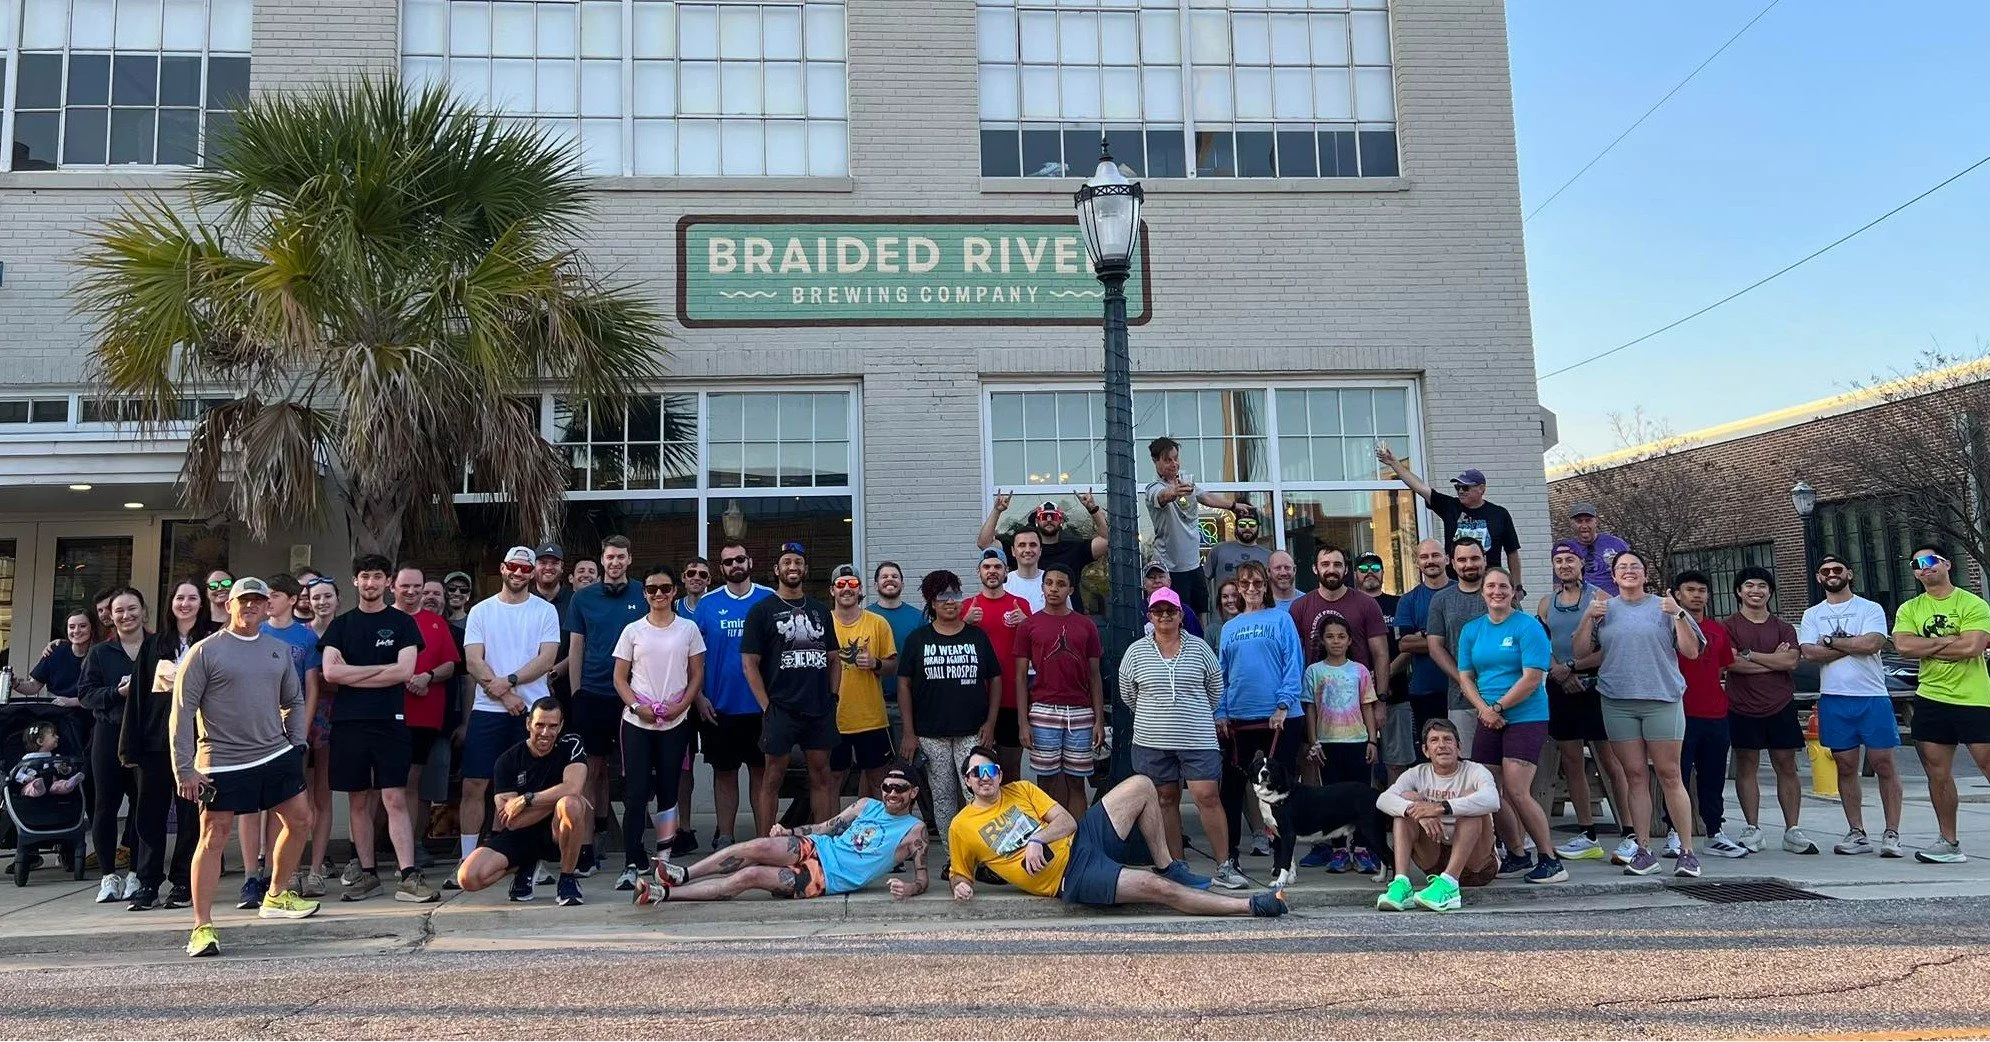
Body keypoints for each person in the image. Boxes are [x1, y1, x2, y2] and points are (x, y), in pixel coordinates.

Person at [947, 747, 1287, 917]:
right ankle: (1249, 905)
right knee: (1154, 888)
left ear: (999, 773)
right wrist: (961, 886)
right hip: (1071, 876)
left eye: (990, 769)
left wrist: (1037, 838)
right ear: (967, 781)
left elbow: (1066, 821)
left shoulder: (1021, 790)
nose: (985, 777)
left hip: (1082, 838)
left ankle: (1168, 864)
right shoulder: (962, 826)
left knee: (1141, 784)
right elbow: (959, 873)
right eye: (976, 773)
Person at [171, 578, 320, 958]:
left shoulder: (278, 650)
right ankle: (201, 927)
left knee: (301, 820)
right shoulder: (205, 651)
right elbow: (182, 712)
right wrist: (184, 769)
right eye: (244, 601)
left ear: (269, 606)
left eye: (259, 600)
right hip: (222, 760)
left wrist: (296, 741)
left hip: (274, 755)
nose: (251, 607)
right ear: (229, 605)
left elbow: (294, 698)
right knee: (214, 838)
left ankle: (276, 895)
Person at [1574, 550, 1704, 877]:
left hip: (1662, 698)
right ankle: (1644, 850)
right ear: (1614, 577)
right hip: (1618, 701)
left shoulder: (1665, 607)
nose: (1629, 571)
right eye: (1622, 568)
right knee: (1634, 775)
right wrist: (1588, 617)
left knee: (1670, 773)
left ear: (1645, 575)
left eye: (1635, 567)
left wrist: (1678, 615)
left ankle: (1687, 852)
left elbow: (1691, 651)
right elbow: (1580, 652)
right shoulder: (1605, 610)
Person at [633, 763, 930, 905]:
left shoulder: (914, 832)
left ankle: (667, 893)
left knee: (749, 877)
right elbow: (825, 827)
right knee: (758, 845)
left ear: (913, 793)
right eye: (887, 787)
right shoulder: (867, 805)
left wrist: (909, 888)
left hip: (828, 877)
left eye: (899, 789)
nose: (891, 793)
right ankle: (682, 873)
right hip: (818, 846)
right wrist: (788, 830)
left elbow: (922, 879)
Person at [318, 554, 437, 903]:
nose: (370, 583)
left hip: (390, 721)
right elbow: (330, 674)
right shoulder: (340, 626)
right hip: (349, 723)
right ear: (355, 581)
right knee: (358, 800)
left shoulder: (402, 624)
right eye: (364, 576)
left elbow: (403, 672)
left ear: (388, 582)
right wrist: (378, 671)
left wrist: (354, 672)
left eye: (377, 577)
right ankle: (367, 874)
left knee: (394, 797)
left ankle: (408, 875)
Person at [459, 547, 563, 899]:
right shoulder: (481, 610)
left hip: (532, 710)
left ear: (533, 573)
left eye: (526, 568)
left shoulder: (545, 610)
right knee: (475, 784)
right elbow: (473, 659)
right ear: (502, 568)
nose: (519, 573)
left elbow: (547, 658)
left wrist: (513, 681)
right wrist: (503, 693)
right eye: (513, 566)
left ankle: (531, 860)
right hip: (489, 709)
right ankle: (467, 856)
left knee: (530, 791)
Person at [1457, 566, 1562, 882]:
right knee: (1490, 789)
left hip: (1525, 716)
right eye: (1490, 586)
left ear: (1514, 591)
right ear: (1482, 591)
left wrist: (1499, 707)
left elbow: (1532, 678)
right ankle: (1517, 853)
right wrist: (1484, 710)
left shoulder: (1528, 627)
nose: (1496, 591)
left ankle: (1550, 859)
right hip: (1488, 715)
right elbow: (1465, 676)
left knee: (1517, 790)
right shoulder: (1472, 630)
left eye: (1503, 586)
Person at [120, 579, 216, 910]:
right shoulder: (153, 645)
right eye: (179, 598)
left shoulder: (211, 643)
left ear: (201, 604)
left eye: (192, 598)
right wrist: (129, 746)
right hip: (155, 744)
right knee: (149, 814)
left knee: (192, 816)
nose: (185, 603)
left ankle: (182, 882)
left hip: (200, 744)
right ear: (170, 604)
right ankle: (147, 883)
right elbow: (136, 700)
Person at [1798, 555, 1902, 858]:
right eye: (1825, 570)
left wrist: (1829, 641)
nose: (1832, 574)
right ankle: (1857, 831)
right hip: (1834, 697)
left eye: (1837, 570)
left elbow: (1872, 644)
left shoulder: (1869, 608)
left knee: (1883, 763)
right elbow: (1809, 653)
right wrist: (1848, 645)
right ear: (1819, 578)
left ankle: (1892, 832)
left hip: (1872, 697)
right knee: (1845, 766)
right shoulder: (1812, 614)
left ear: (1849, 574)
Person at [610, 562, 705, 891]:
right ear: (645, 593)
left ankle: (664, 859)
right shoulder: (632, 631)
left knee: (668, 794)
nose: (659, 594)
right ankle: (631, 861)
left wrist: (684, 705)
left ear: (674, 591)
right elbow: (620, 678)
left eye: (665, 588)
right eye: (652, 589)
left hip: (676, 722)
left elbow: (696, 676)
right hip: (637, 723)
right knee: (636, 795)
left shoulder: (688, 630)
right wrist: (637, 706)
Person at [1892, 545, 1990, 864]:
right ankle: (1949, 842)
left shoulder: (1971, 602)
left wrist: (1929, 647)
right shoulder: (1909, 608)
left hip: (1975, 698)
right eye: (1918, 564)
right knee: (1937, 773)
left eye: (1931, 560)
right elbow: (1904, 646)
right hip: (1932, 697)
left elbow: (1973, 646)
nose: (1925, 567)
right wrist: (1950, 640)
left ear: (1947, 564)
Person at [1122, 587, 1226, 885]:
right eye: (1158, 611)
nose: (1164, 616)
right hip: (1152, 739)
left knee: (1207, 796)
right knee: (1165, 799)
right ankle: (1176, 865)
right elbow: (1128, 692)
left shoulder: (1201, 648)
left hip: (1198, 738)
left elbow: (1215, 689)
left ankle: (1224, 865)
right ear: (1149, 616)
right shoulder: (1136, 651)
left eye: (1171, 611)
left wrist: (1191, 714)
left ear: (1181, 615)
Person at [1537, 541, 1630, 864]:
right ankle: (1587, 833)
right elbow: (1542, 644)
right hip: (1560, 688)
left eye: (1570, 559)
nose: (1564, 565)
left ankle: (1629, 831)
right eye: (1559, 560)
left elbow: (1610, 647)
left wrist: (1575, 667)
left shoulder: (1601, 599)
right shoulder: (1547, 603)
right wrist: (1559, 672)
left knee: (1611, 761)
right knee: (1572, 761)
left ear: (1581, 564)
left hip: (1595, 687)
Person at [1214, 559, 1304, 887]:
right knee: (1233, 789)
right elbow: (1221, 675)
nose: (1251, 590)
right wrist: (1220, 712)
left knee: (1279, 790)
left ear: (1265, 586)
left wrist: (1283, 704)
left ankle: (1283, 859)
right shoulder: (1229, 627)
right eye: (1245, 584)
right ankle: (1230, 856)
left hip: (1278, 718)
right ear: (1237, 588)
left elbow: (1294, 663)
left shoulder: (1281, 619)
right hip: (1239, 719)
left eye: (1257, 584)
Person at [454, 698, 590, 905]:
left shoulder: (571, 744)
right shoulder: (508, 760)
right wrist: (555, 797)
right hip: (520, 835)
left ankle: (567, 878)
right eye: (540, 725)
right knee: (468, 878)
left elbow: (573, 788)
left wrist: (527, 799)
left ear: (561, 726)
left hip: (557, 832)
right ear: (528, 724)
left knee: (571, 804)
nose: (546, 733)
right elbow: (512, 821)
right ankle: (525, 865)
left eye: (553, 726)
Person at [743, 541, 840, 830]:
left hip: (819, 707)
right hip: (781, 708)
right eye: (787, 562)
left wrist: (833, 697)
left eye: (798, 562)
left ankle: (821, 845)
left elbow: (834, 659)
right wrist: (766, 705)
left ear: (805, 569)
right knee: (772, 776)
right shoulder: (761, 611)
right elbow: (749, 663)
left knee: (821, 776)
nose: (793, 567)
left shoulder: (821, 610)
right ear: (777, 570)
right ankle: (765, 843)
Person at [565, 535, 646, 875]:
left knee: (635, 773)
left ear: (629, 560)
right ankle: (585, 848)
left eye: (621, 557)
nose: (615, 562)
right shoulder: (583, 598)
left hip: (634, 695)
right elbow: (576, 648)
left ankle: (634, 847)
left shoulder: (643, 593)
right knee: (590, 771)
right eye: (610, 557)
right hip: (594, 694)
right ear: (602, 560)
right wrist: (576, 693)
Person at [897, 570, 1001, 836]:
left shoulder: (977, 637)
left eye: (955, 595)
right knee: (943, 798)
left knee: (977, 792)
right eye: (943, 596)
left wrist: (990, 723)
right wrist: (909, 732)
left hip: (973, 731)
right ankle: (953, 857)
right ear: (932, 602)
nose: (950, 601)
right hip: (931, 733)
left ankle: (982, 856)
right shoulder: (917, 639)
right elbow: (904, 684)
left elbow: (996, 679)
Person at [1721, 565, 1811, 856]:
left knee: (1786, 766)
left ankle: (1792, 830)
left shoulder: (1783, 627)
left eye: (1762, 586)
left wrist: (1752, 655)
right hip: (1742, 705)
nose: (1755, 591)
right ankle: (1752, 828)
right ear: (1739, 591)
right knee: (1746, 765)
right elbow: (1731, 663)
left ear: (1770, 592)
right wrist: (1773, 658)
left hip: (1780, 704)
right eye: (1749, 585)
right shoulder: (1729, 626)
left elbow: (1791, 663)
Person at [1374, 719, 1502, 913]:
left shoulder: (1476, 771)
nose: (1441, 745)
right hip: (1434, 863)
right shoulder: (1417, 773)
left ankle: (1450, 885)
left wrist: (1441, 808)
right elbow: (1382, 800)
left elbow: (1493, 800)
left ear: (1459, 747)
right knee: (1407, 803)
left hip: (1476, 865)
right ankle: (1401, 884)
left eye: (1448, 740)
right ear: (1426, 751)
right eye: (1434, 740)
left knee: (1473, 807)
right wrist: (1418, 811)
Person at [695, 542, 774, 845]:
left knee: (761, 773)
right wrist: (699, 697)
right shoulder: (708, 604)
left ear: (750, 561)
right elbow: (694, 656)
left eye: (740, 559)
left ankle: (763, 838)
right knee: (724, 773)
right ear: (721, 569)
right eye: (728, 562)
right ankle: (726, 836)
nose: (735, 565)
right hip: (719, 707)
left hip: (762, 707)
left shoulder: (769, 599)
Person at [1662, 571, 1744, 863]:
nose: (1696, 595)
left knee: (1713, 776)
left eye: (1701, 590)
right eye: (1690, 590)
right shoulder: (1668, 626)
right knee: (1676, 774)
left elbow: (1723, 667)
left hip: (1715, 713)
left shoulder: (1718, 630)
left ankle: (1715, 831)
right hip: (1678, 712)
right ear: (1677, 594)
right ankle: (1673, 832)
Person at [1016, 563, 1105, 821]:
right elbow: (1020, 677)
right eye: (1049, 583)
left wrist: (1098, 719)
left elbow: (1094, 675)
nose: (1054, 589)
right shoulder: (1029, 626)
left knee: (1077, 782)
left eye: (1061, 584)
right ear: (1042, 587)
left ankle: (1079, 841)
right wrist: (1024, 722)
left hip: (1080, 711)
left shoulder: (1086, 625)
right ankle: (1052, 842)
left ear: (1071, 589)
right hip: (1043, 710)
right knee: (1047, 782)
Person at [260, 575, 328, 898]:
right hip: (261, 729)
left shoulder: (306, 637)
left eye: (274, 595)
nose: (268, 601)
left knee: (299, 801)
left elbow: (312, 685)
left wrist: (302, 727)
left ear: (291, 598)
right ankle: (279, 873)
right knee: (274, 805)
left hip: (296, 731)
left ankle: (302, 869)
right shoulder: (257, 631)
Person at [78, 589, 147, 905]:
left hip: (148, 736)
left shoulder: (159, 647)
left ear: (143, 611)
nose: (126, 615)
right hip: (108, 735)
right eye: (119, 610)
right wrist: (117, 693)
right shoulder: (100, 653)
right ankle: (108, 875)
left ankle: (137, 873)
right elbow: (86, 695)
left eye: (132, 609)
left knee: (143, 805)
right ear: (111, 615)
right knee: (105, 806)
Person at [1375, 446, 1523, 592]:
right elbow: (1420, 487)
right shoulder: (1450, 506)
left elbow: (1512, 552)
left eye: (1465, 488)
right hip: (1455, 585)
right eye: (1457, 487)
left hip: (1489, 584)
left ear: (1481, 489)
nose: (1460, 491)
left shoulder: (1499, 514)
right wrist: (1394, 464)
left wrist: (1517, 586)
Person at [393, 566, 460, 874]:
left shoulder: (436, 623)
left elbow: (450, 665)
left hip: (425, 716)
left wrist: (427, 676)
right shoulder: (381, 620)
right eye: (405, 585)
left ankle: (413, 845)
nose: (411, 591)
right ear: (393, 586)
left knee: (413, 785)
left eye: (416, 586)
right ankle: (374, 852)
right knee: (381, 786)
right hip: (385, 716)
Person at [1300, 616, 1379, 873]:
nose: (1336, 641)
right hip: (1328, 743)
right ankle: (1338, 851)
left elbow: (1367, 706)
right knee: (1331, 800)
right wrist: (1314, 742)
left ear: (1349, 640)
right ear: (1322, 640)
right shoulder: (1314, 671)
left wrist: (1372, 740)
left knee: (1361, 799)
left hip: (1356, 740)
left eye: (1341, 636)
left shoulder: (1360, 671)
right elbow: (1310, 709)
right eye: (1330, 636)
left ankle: (1362, 850)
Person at [1144, 437, 1244, 616]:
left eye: (1176, 458)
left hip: (1194, 564)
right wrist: (1173, 492)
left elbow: (1206, 497)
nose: (1174, 464)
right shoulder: (1153, 488)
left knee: (1201, 613)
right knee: (1177, 615)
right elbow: (1162, 496)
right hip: (1171, 569)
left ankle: (1202, 644)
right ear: (1155, 461)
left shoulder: (1186, 482)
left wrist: (1234, 506)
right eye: (1167, 460)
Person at [827, 564, 898, 809]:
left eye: (853, 584)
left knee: (880, 780)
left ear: (860, 591)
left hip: (872, 718)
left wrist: (876, 663)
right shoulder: (824, 623)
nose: (847, 589)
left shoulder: (878, 623)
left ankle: (879, 835)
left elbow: (893, 665)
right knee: (832, 781)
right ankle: (831, 836)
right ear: (832, 591)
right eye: (841, 584)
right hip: (833, 718)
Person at [963, 548, 1032, 778]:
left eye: (997, 567)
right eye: (987, 567)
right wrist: (964, 623)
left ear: (1006, 572)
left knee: (1010, 768)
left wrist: (1027, 624)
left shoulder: (1020, 604)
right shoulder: (967, 606)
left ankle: (1011, 813)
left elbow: (1036, 647)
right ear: (979, 572)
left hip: (1012, 697)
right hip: (975, 698)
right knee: (976, 768)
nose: (992, 571)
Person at [976, 495, 1108, 608]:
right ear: (1036, 521)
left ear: (1061, 521)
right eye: (1044, 516)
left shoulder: (1074, 548)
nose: (1049, 520)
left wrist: (1093, 509)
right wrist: (997, 511)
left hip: (1066, 619)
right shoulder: (1022, 551)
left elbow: (1106, 540)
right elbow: (985, 543)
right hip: (1019, 621)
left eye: (1054, 517)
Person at [1424, 537, 1489, 753]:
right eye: (1462, 559)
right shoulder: (1441, 600)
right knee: (1468, 765)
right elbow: (1435, 647)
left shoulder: (1499, 593)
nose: (1469, 564)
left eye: (1474, 558)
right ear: (1452, 562)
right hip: (1461, 698)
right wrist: (1464, 680)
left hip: (1502, 694)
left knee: (1505, 768)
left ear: (1484, 560)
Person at [1396, 538, 1455, 762]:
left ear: (1447, 559)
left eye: (1435, 555)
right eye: (1424, 557)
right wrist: (1446, 638)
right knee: (1430, 757)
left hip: (1463, 691)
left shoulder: (1462, 593)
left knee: (1465, 755)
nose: (1430, 561)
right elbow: (1405, 644)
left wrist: (1425, 635)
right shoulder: (1409, 600)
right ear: (1417, 562)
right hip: (1425, 692)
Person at [1356, 550, 1412, 780]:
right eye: (1363, 569)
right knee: (1361, 764)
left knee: (1397, 765)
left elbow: (1408, 648)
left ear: (1383, 573)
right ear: (1355, 574)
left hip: (1396, 695)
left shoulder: (1399, 604)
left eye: (1375, 568)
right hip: (1355, 701)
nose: (1370, 573)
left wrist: (1382, 677)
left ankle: (1395, 816)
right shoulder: (1349, 605)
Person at [1290, 546, 1389, 675]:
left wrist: (1382, 694)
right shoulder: (1300, 606)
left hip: (1358, 689)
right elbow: (1291, 657)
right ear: (1315, 568)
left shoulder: (1367, 604)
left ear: (1346, 569)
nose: (1332, 570)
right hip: (1315, 690)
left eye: (1337, 565)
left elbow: (1381, 654)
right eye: (1325, 564)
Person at [301, 573, 341, 887]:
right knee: (297, 794)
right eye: (316, 597)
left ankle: (316, 868)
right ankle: (291, 866)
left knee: (323, 795)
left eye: (327, 596)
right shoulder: (300, 634)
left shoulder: (347, 630)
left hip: (334, 717)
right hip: (299, 717)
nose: (321, 602)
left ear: (337, 599)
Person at [14, 610, 92, 701]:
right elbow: (34, 686)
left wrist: (72, 702)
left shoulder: (100, 654)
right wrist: (15, 684)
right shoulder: (55, 650)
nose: (76, 631)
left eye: (83, 626)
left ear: (92, 628)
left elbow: (100, 694)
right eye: (71, 627)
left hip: (89, 712)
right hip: (55, 710)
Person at [1207, 502, 1273, 589]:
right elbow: (1203, 583)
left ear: (1258, 527)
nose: (1247, 528)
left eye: (1252, 524)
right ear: (1236, 527)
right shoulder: (1219, 550)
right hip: (1226, 601)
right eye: (1242, 524)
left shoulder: (1269, 556)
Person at [1567, 503, 1629, 596]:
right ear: (1572, 524)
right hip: (1583, 604)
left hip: (1615, 601)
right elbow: (1559, 584)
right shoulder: (1567, 550)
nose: (1584, 525)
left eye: (1588, 521)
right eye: (1579, 521)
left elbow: (1632, 572)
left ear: (1596, 522)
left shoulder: (1616, 544)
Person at [1142, 564, 1204, 638]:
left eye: (1161, 577)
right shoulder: (1138, 610)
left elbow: (1197, 639)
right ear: (1144, 584)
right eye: (1152, 577)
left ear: (1169, 582)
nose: (1157, 580)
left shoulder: (1184, 610)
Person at [1004, 529, 1046, 612]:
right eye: (1022, 545)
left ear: (1040, 550)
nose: (1027, 550)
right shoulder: (1004, 584)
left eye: (1033, 545)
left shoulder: (1053, 582)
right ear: (1013, 551)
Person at [1209, 579, 1243, 649]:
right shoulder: (1212, 630)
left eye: (1235, 595)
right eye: (1225, 596)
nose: (1230, 600)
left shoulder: (1251, 625)